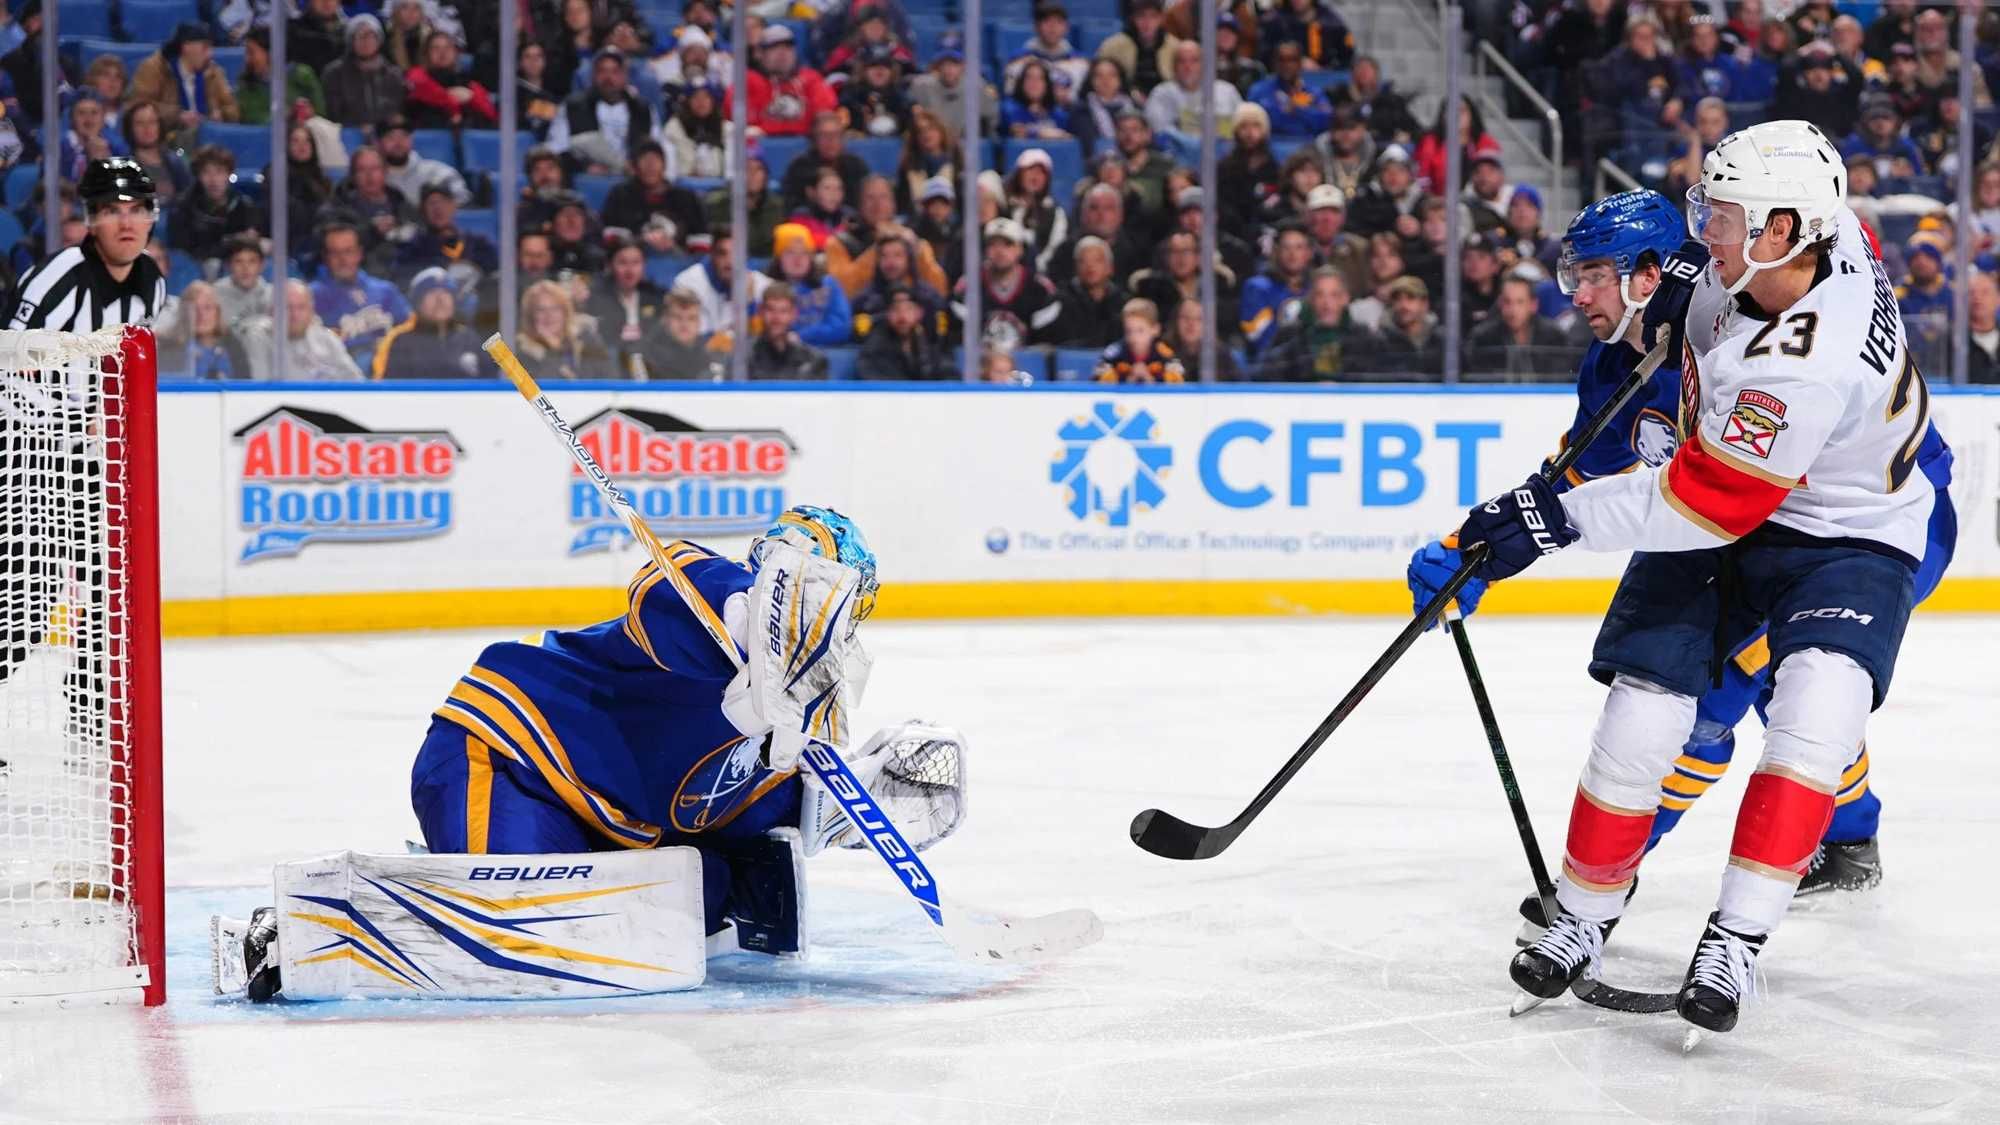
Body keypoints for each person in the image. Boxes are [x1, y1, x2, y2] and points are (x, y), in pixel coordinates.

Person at [1438, 131, 1954, 1037]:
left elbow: (1703, 501)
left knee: (1801, 702)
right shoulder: (1810, 236)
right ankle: (1586, 909)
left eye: (1720, 217)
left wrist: (1542, 523)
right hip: (1742, 504)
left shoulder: (1798, 363)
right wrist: (1472, 542)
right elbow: (1595, 457)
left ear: (1782, 230)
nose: (1702, 231)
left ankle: (1736, 936)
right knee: (1644, 705)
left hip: (1846, 527)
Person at [219, 508, 970, 1001]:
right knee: (518, 928)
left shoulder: (804, 721)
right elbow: (664, 585)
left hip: (605, 825)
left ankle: (457, 882)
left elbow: (727, 813)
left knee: (690, 895)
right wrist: (751, 628)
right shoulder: (714, 596)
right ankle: (303, 928)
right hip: (507, 756)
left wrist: (837, 806)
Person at [6, 158, 164, 330]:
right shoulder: (54, 279)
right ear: (91, 221)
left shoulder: (152, 277)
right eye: (111, 211)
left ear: (150, 220)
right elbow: (10, 345)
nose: (126, 224)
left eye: (136, 210)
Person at [951, 217, 1061, 354]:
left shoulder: (1040, 289)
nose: (1000, 251)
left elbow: (1046, 347)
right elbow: (958, 343)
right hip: (981, 364)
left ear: (1020, 249)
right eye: (993, 244)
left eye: (1008, 244)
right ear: (985, 249)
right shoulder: (967, 287)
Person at [311, 221, 413, 368]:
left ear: (359, 253)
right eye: (335, 253)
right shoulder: (311, 296)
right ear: (325, 257)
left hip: (390, 371)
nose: (342, 260)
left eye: (348, 251)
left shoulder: (386, 291)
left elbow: (411, 331)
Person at [125, 22, 238, 144]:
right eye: (205, 48)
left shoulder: (214, 72)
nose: (210, 54)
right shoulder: (154, 69)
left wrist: (221, 114)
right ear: (186, 47)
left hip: (208, 141)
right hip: (168, 141)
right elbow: (137, 105)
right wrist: (177, 116)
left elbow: (232, 108)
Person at [372, 267, 491, 379]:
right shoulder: (399, 340)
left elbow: (492, 382)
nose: (440, 299)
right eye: (431, 292)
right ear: (417, 303)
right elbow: (387, 387)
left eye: (446, 293)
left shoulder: (469, 338)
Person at [235, 279, 366, 380]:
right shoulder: (258, 338)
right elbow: (261, 389)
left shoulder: (326, 339)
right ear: (272, 312)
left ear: (311, 311)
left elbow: (356, 382)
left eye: (301, 307)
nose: (294, 314)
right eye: (287, 307)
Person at [549, 48, 655, 172]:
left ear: (625, 76)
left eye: (615, 71)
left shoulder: (643, 110)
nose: (608, 77)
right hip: (587, 177)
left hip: (632, 176)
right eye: (602, 71)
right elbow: (557, 147)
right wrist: (583, 167)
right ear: (593, 76)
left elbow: (656, 148)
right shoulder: (572, 107)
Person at [1256, 267, 1363, 381]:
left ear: (1345, 299)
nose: (1327, 304)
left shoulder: (1363, 339)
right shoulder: (1289, 336)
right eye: (1320, 295)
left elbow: (1372, 379)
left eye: (1334, 295)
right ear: (1311, 299)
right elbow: (1266, 375)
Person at [601, 140, 706, 254]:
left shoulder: (686, 198)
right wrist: (642, 241)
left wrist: (674, 247)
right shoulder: (620, 195)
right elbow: (611, 240)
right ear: (634, 166)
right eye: (645, 160)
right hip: (633, 259)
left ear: (664, 165)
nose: (650, 166)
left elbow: (701, 243)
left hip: (678, 259)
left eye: (655, 160)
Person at [735, 24, 836, 139]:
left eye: (788, 46)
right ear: (759, 53)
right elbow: (741, 123)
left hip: (805, 146)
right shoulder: (747, 81)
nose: (782, 52)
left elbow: (825, 118)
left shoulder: (811, 79)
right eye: (773, 47)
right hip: (761, 147)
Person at [167, 145, 260, 269]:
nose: (213, 179)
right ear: (198, 176)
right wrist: (231, 242)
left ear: (229, 174)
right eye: (206, 172)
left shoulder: (244, 206)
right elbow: (184, 251)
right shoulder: (182, 208)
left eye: (219, 172)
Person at [1463, 274, 1570, 379]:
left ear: (1533, 305)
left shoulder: (1553, 337)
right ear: (1500, 303)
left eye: (1520, 302)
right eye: (1507, 302)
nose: (1513, 310)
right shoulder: (1482, 339)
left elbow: (1560, 379)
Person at [584, 236, 666, 374]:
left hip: (650, 365)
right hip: (607, 365)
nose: (630, 270)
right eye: (622, 262)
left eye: (636, 262)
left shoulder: (656, 297)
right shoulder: (595, 297)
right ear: (610, 265)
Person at [762, 224, 852, 348]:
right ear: (778, 258)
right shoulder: (764, 287)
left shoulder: (829, 285)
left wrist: (801, 336)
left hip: (824, 352)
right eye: (790, 252)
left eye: (804, 253)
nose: (798, 259)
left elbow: (841, 327)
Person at [1147, 40, 1242, 155]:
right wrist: (1217, 125)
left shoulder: (1227, 91)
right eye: (1182, 61)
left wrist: (1184, 123)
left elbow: (1239, 127)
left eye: (1194, 61)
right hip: (1178, 159)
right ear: (1174, 66)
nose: (1188, 66)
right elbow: (1159, 133)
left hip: (1223, 158)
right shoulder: (1160, 94)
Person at [673, 230, 772, 337]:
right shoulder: (687, 284)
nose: (730, 261)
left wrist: (749, 303)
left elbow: (765, 336)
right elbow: (693, 338)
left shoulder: (762, 285)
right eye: (723, 253)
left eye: (737, 254)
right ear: (712, 255)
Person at [1238, 224, 1314, 356]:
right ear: (1276, 251)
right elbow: (1256, 337)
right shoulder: (1258, 288)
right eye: (1286, 247)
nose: (1292, 254)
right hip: (1272, 362)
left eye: (1299, 247)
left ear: (1309, 253)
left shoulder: (1317, 288)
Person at [322, 14, 407, 129]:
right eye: (361, 36)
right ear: (351, 40)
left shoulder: (393, 74)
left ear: (379, 40)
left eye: (371, 36)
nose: (366, 41)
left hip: (386, 134)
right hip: (347, 133)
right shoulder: (334, 73)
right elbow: (333, 112)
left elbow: (398, 110)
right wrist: (359, 125)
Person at [857, 284, 952, 380]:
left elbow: (949, 373)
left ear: (919, 313)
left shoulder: (930, 341)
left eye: (908, 309)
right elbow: (874, 378)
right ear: (887, 314)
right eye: (895, 309)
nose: (902, 316)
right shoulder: (875, 346)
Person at [403, 31, 496, 129]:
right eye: (435, 48)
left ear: (456, 53)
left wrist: (471, 98)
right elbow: (421, 88)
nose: (442, 52)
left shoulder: (469, 84)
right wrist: (449, 99)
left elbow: (491, 115)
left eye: (447, 48)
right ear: (426, 54)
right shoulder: (416, 77)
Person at [376, 114, 471, 208]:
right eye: (390, 137)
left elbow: (462, 195)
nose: (398, 143)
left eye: (404, 136)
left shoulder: (433, 171)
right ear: (379, 143)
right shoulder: (374, 177)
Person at [1049, 237, 1128, 348]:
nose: (1090, 266)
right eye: (1083, 261)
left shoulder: (1124, 304)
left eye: (1097, 260)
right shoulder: (1058, 302)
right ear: (1075, 267)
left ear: (1110, 268)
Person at [1248, 42, 1333, 139]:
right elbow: (1254, 123)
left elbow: (1327, 121)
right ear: (1274, 63)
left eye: (1292, 60)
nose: (1286, 65)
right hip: (1271, 144)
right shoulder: (1259, 91)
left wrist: (1299, 110)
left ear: (1300, 63)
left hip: (1307, 145)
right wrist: (1285, 112)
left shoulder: (1314, 92)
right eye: (1281, 60)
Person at [637, 288, 724, 381]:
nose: (684, 324)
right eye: (677, 317)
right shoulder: (648, 356)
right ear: (666, 319)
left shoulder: (711, 354)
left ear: (699, 322)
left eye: (691, 318)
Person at [1097, 0, 1179, 98]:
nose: (1147, 23)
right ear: (1133, 18)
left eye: (1153, 16)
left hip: (1166, 99)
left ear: (1161, 19)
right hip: (1125, 99)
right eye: (1141, 16)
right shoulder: (1112, 47)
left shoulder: (1175, 47)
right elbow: (1098, 78)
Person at [748, 283, 830, 380]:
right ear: (761, 311)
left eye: (783, 311)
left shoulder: (813, 361)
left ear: (794, 314)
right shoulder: (744, 359)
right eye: (770, 309)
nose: (776, 318)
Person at [1092, 298, 1185, 383]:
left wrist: (1150, 379)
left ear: (1155, 329)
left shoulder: (1165, 354)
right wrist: (1128, 379)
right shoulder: (1113, 354)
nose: (1133, 337)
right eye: (1129, 331)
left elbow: (1178, 384)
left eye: (1140, 330)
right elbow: (1097, 383)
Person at [663, 76, 730, 180]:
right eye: (695, 97)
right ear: (687, 101)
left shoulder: (726, 129)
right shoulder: (674, 127)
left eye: (706, 97)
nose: (701, 102)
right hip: (683, 184)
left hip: (720, 184)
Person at [841, 44, 912, 140]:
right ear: (863, 70)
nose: (879, 69)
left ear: (892, 71)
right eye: (873, 65)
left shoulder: (900, 95)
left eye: (885, 65)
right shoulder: (851, 95)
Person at [1258, 0, 1354, 71]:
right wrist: (1292, 61)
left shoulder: (1332, 23)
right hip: (1283, 81)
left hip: (1324, 79)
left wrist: (1324, 69)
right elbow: (1264, 56)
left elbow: (1347, 58)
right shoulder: (1275, 22)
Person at [1161, 297, 1242, 380]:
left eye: (1198, 319)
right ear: (1175, 321)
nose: (1191, 323)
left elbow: (1238, 385)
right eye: (1186, 317)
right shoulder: (1161, 352)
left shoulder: (1222, 356)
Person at [214, 233, 272, 329]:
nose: (245, 268)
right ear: (228, 265)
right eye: (238, 261)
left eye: (252, 261)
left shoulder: (273, 296)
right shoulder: (214, 295)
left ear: (262, 265)